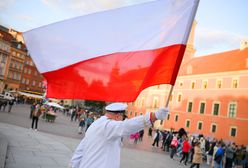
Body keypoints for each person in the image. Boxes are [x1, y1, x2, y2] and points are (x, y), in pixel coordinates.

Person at [69, 102, 169, 168]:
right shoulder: (108, 125)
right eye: (123, 117)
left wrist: (73, 166)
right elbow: (127, 126)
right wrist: (153, 116)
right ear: (117, 116)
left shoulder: (96, 123)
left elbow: (80, 151)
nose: (123, 120)